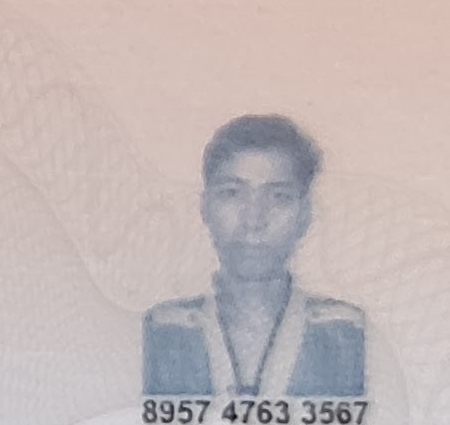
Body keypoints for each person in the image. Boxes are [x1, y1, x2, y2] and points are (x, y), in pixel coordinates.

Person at [141, 115, 367, 403]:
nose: (253, 220)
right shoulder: (163, 329)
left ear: (305, 215)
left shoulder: (344, 331)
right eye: (232, 193)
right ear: (205, 207)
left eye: (279, 197)